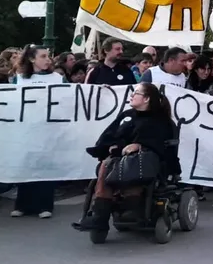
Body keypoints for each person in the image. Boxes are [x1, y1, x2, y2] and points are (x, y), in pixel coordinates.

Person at [73, 83, 177, 232]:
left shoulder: (160, 119)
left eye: (136, 93)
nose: (131, 96)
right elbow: (109, 135)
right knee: (107, 164)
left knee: (127, 163)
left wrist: (140, 145)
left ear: (146, 98)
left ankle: (130, 208)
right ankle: (99, 217)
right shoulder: (126, 116)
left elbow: (161, 143)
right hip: (119, 158)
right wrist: (109, 146)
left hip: (147, 160)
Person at [10, 45, 67, 219]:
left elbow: (70, 98)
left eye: (48, 56)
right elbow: (9, 99)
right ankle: (23, 205)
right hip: (26, 130)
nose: (48, 60)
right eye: (43, 56)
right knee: (26, 165)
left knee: (46, 166)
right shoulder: (19, 79)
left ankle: (45, 205)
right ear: (32, 59)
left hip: (49, 129)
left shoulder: (57, 78)